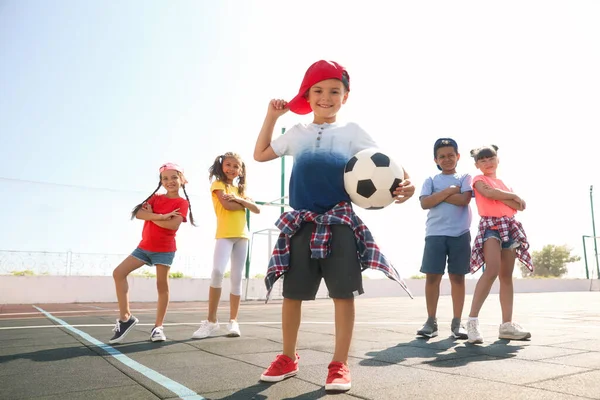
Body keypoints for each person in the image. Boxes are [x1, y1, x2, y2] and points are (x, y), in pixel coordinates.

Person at [253, 60, 415, 392]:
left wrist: (407, 185)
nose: (326, 97)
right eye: (318, 91)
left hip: (339, 223)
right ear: (308, 96)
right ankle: (287, 357)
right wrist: (272, 117)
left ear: (345, 96)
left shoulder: (352, 132)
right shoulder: (296, 133)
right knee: (292, 295)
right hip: (300, 224)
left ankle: (339, 364)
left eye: (334, 91)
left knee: (343, 295)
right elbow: (260, 154)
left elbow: (388, 165)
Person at [109, 163, 194, 344]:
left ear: (182, 180)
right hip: (144, 248)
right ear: (161, 181)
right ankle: (126, 318)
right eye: (165, 178)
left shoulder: (182, 203)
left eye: (174, 177)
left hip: (165, 249)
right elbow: (139, 214)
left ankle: (158, 327)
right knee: (118, 273)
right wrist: (161, 216)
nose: (169, 181)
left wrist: (153, 216)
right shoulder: (155, 198)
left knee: (161, 286)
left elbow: (173, 225)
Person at [466, 145, 533, 344]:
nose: (487, 162)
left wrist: (512, 198)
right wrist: (512, 196)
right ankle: (472, 321)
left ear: (497, 159)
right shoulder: (478, 179)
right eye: (483, 160)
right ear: (477, 164)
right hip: (490, 227)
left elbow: (519, 207)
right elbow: (490, 194)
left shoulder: (503, 183)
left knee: (506, 276)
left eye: (490, 158)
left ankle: (506, 325)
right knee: (492, 269)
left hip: (509, 227)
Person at [192, 152, 260, 339]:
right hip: (224, 235)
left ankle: (233, 321)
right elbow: (228, 206)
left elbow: (257, 209)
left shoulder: (240, 191)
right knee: (217, 272)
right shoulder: (218, 185)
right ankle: (211, 321)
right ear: (222, 166)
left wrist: (240, 200)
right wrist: (246, 204)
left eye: (235, 166)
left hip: (242, 237)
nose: (231, 169)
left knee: (237, 278)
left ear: (240, 170)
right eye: (228, 165)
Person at [417, 138, 472, 340]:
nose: (447, 159)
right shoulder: (430, 180)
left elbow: (464, 200)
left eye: (451, 155)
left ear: (458, 156)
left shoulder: (465, 177)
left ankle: (457, 323)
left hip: (460, 234)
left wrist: (437, 196)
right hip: (435, 234)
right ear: (436, 160)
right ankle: (431, 321)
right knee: (432, 277)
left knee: (458, 278)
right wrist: (449, 191)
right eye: (442, 156)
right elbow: (425, 203)